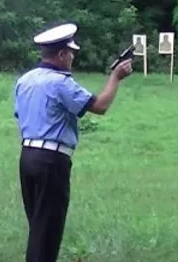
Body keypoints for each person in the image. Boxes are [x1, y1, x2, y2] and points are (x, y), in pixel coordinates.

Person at [15, 23, 133, 262]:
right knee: (48, 230)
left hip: (27, 155)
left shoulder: (25, 80)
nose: (72, 58)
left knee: (38, 225)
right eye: (71, 53)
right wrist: (116, 77)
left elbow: (20, 115)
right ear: (61, 54)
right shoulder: (61, 82)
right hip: (51, 160)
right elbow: (99, 106)